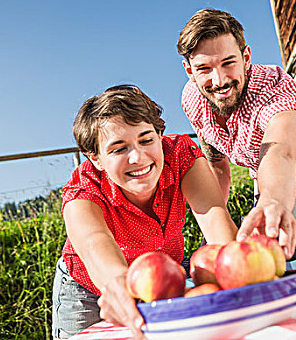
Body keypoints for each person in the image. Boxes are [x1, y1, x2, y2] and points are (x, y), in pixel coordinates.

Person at [51, 85, 237, 339]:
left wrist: (239, 271)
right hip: (88, 290)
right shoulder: (83, 191)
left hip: (165, 272)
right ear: (95, 158)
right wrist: (119, 284)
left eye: (146, 139)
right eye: (118, 148)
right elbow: (94, 241)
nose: (138, 157)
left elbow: (216, 220)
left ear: (160, 135)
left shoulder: (182, 156)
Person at [177, 8, 296, 259]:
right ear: (189, 71)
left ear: (246, 57)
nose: (220, 80)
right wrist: (214, 229)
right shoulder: (193, 99)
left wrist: (272, 200)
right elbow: (216, 164)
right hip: (269, 199)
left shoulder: (276, 91)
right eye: (204, 68)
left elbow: (279, 150)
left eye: (228, 63)